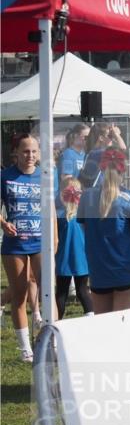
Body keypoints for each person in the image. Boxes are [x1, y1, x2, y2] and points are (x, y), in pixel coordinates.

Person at [77, 148, 130, 314]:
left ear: (101, 168)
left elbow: (85, 230)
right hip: (125, 271)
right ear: (124, 169)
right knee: (123, 330)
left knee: (104, 332)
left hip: (98, 273)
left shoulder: (87, 198)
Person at [1, 134, 50, 360]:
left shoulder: (46, 175)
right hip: (15, 245)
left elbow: (54, 210)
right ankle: (24, 349)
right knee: (19, 294)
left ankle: (52, 343)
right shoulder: (5, 177)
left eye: (34, 151)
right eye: (25, 151)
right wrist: (3, 223)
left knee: (47, 290)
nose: (30, 156)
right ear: (16, 153)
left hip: (41, 243)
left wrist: (55, 239)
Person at [54, 178, 94, 319]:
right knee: (83, 290)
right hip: (82, 258)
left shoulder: (57, 215)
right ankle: (91, 317)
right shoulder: (84, 214)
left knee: (61, 293)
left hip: (62, 259)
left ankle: (56, 322)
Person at [78, 122, 126, 188]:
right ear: (101, 138)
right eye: (110, 136)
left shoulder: (92, 152)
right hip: (97, 192)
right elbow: (122, 148)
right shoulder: (99, 153)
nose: (112, 138)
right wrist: (117, 135)